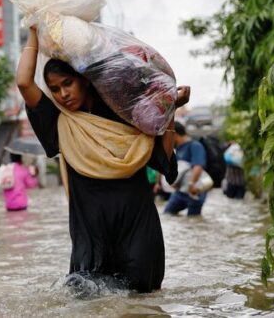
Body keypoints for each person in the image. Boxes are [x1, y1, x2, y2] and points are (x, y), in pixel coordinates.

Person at [16, 26, 184, 293]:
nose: (62, 95)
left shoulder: (126, 113)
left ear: (84, 79)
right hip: (91, 234)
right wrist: (34, 31)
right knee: (87, 295)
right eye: (55, 89)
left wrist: (170, 108)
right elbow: (24, 82)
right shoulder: (59, 121)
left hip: (136, 226)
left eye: (67, 84)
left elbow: (164, 162)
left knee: (142, 298)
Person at [163, 122, 209, 216]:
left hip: (194, 190)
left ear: (174, 134)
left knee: (193, 219)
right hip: (180, 191)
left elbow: (198, 166)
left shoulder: (195, 145)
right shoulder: (179, 148)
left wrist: (191, 184)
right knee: (167, 214)